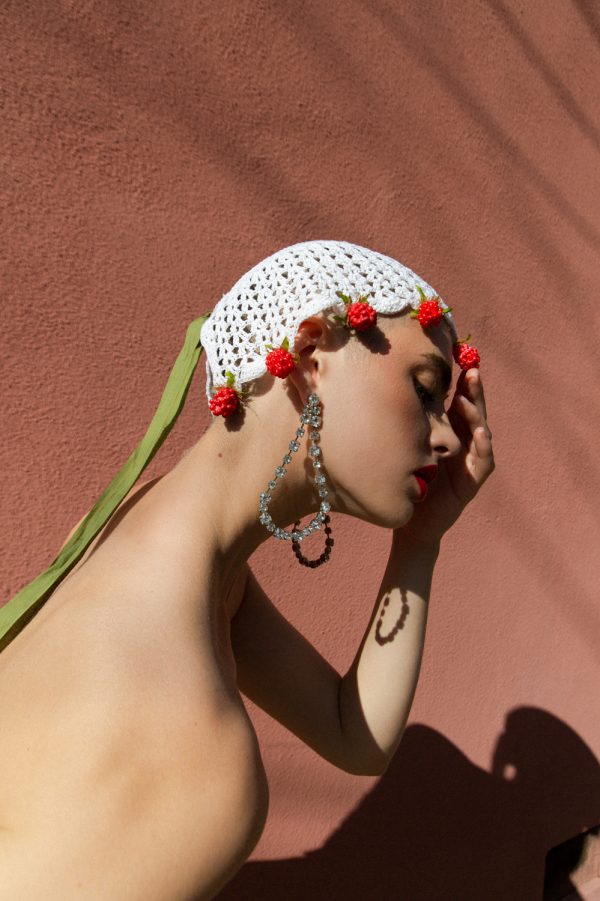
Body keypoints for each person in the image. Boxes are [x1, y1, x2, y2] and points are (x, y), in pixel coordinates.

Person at [0, 240, 494, 899]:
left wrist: (419, 543)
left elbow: (355, 735)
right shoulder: (195, 754)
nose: (449, 436)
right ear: (311, 356)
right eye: (426, 389)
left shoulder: (157, 542)